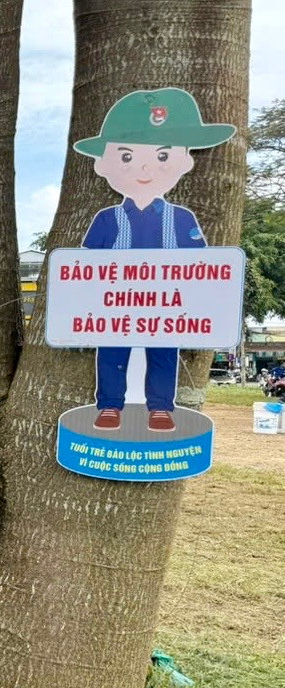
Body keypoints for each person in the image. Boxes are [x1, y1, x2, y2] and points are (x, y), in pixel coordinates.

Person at [75, 88, 235, 433]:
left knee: (164, 353)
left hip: (167, 306)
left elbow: (200, 269)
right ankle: (110, 405)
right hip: (114, 306)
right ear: (104, 164)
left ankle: (161, 407)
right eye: (128, 157)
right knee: (112, 353)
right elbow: (84, 272)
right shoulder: (107, 219)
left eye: (163, 156)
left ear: (184, 161)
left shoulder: (181, 219)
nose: (146, 167)